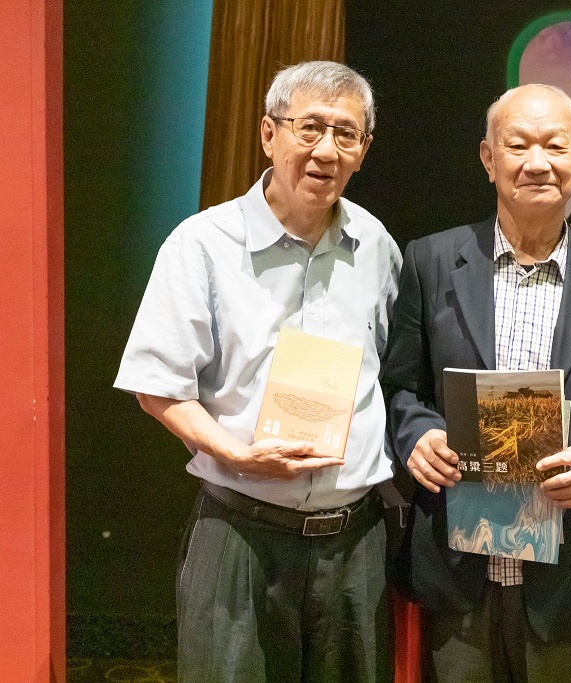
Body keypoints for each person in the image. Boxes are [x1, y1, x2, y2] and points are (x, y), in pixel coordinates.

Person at [114, 61, 401, 683]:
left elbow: (391, 374)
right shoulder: (201, 244)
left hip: (356, 543)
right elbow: (156, 387)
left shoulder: (378, 246)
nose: (326, 149)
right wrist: (237, 453)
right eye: (310, 128)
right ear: (269, 134)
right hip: (241, 531)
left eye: (345, 134)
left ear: (363, 150)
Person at [382, 84, 571, 682]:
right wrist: (418, 435)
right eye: (518, 145)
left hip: (570, 571)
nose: (539, 162)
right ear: (488, 158)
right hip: (456, 567)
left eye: (556, 146)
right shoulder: (431, 263)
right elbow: (400, 387)